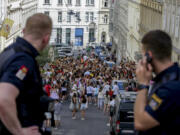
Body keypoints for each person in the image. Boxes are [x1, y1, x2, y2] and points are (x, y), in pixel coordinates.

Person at [0, 13, 52, 135]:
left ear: (23, 31)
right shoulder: (23, 60)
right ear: (46, 38)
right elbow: (3, 98)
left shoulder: (9, 52)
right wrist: (18, 132)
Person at [134, 30, 180, 135]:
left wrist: (142, 84)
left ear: (148, 56)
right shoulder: (171, 77)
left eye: (143, 56)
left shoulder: (169, 89)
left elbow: (140, 122)